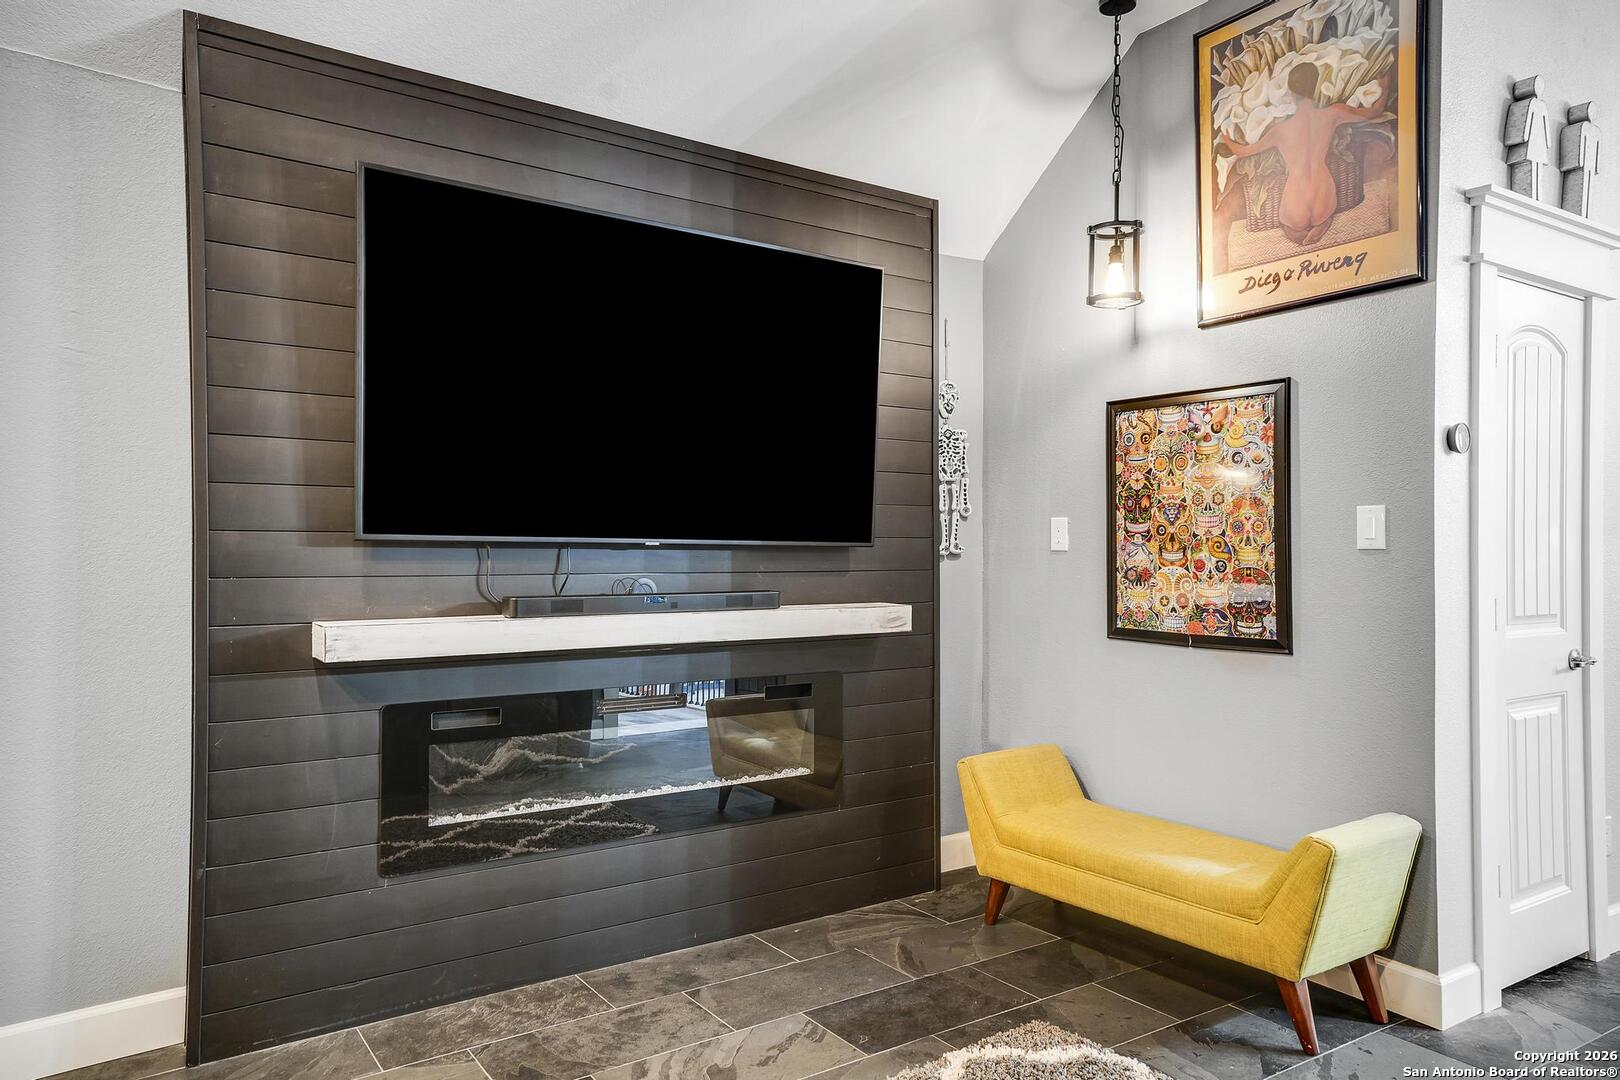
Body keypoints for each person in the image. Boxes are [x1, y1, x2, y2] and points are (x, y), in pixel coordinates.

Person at [1217, 61, 1390, 246]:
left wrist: (1225, 136)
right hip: (1324, 196)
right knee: (1324, 218)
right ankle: (1322, 225)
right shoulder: (1333, 113)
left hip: (1295, 201)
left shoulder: (1280, 130)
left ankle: (1300, 236)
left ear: (1291, 93)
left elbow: (1242, 151)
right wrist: (1385, 86)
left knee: (1289, 227)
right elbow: (1374, 112)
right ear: (1315, 86)